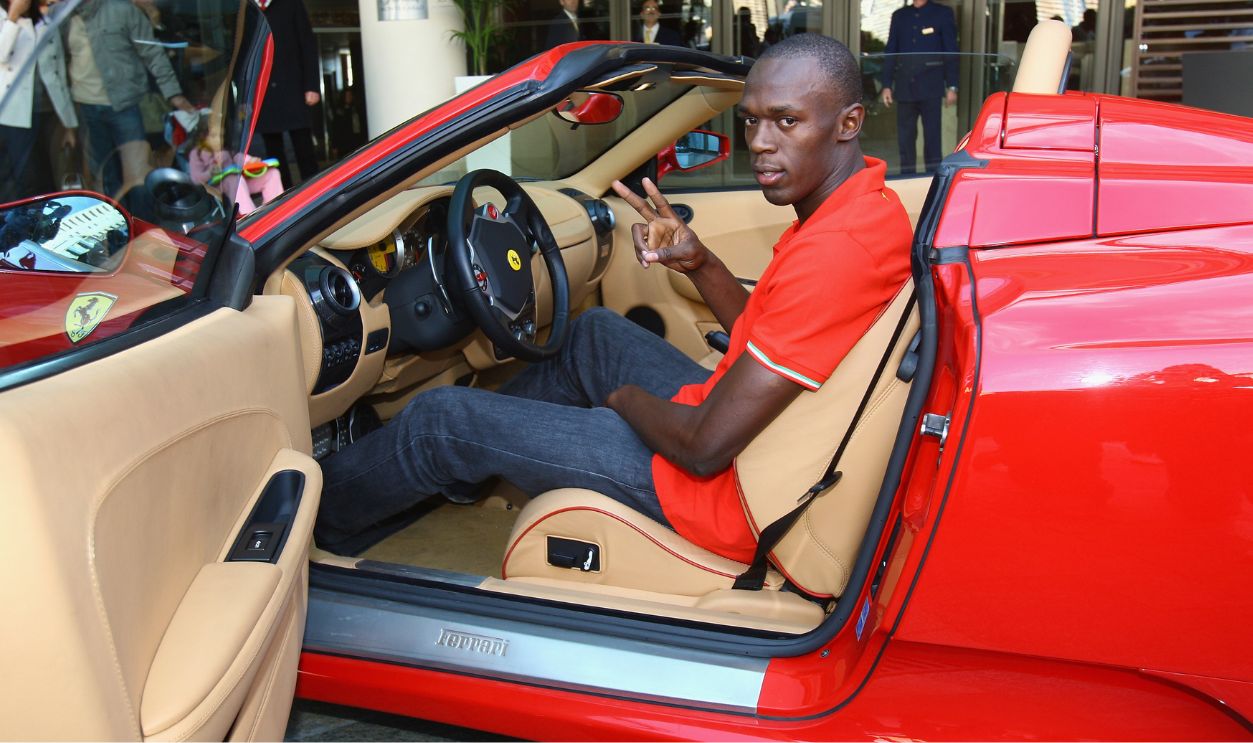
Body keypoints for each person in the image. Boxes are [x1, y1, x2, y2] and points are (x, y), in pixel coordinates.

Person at [313, 33, 913, 564]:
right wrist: (700, 263)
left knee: (439, 422)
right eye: (751, 120)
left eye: (786, 122)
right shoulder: (860, 211)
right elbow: (772, 330)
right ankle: (464, 470)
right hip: (753, 441)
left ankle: (314, 527)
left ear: (849, 123)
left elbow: (702, 449)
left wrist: (623, 402)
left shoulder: (839, 251)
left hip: (720, 494)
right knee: (590, 333)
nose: (759, 142)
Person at [64, 0, 195, 199]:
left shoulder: (122, 10)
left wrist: (174, 95)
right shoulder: (63, 18)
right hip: (86, 107)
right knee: (103, 177)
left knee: (137, 175)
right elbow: (58, 64)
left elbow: (153, 54)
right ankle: (116, 224)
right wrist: (67, 117)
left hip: (125, 104)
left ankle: (143, 222)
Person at [0, 0, 77, 201]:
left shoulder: (45, 18)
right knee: (26, 179)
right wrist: (13, 17)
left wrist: (68, 123)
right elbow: (1, 55)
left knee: (53, 178)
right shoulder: (4, 16)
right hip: (16, 115)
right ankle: (28, 225)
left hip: (50, 112)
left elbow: (59, 71)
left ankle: (50, 225)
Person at [878, 0, 958, 175]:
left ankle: (932, 181)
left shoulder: (942, 13)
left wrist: (952, 85)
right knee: (905, 140)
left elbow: (950, 51)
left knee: (932, 140)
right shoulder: (899, 16)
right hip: (905, 87)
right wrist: (886, 85)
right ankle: (908, 178)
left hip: (931, 87)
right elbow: (891, 50)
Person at [255, 0, 320, 188]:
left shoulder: (291, 4)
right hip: (264, 90)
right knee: (273, 152)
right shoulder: (248, 9)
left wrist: (312, 86)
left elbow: (307, 44)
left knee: (303, 146)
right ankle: (283, 198)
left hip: (294, 86)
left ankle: (316, 191)